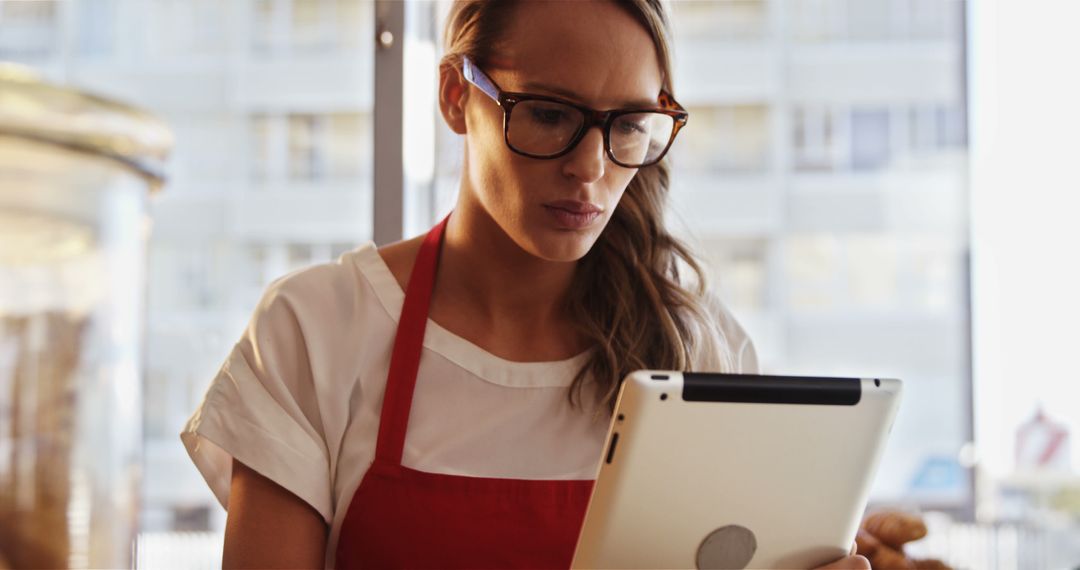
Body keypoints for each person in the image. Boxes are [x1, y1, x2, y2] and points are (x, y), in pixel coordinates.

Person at [181, 1, 942, 568]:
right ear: (456, 96)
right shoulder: (316, 329)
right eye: (548, 114)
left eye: (629, 124)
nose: (591, 168)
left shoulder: (697, 347)